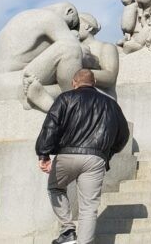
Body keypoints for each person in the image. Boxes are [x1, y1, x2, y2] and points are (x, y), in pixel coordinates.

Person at [36, 69, 130, 244]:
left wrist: (44, 154)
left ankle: (67, 230)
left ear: (74, 82)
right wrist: (107, 153)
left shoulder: (65, 98)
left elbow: (51, 127)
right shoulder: (111, 105)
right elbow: (123, 136)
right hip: (95, 158)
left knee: (55, 188)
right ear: (94, 83)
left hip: (67, 154)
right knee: (89, 207)